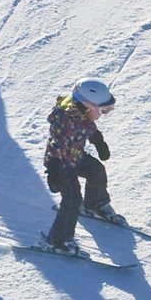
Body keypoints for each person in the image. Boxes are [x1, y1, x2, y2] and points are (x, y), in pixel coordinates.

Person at [41, 78, 120, 252]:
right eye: (103, 110)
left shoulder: (82, 115)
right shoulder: (64, 122)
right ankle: (58, 241)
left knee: (97, 171)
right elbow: (57, 144)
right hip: (61, 164)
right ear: (86, 105)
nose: (103, 114)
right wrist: (54, 170)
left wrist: (98, 141)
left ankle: (95, 203)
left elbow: (88, 127)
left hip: (75, 156)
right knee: (72, 200)